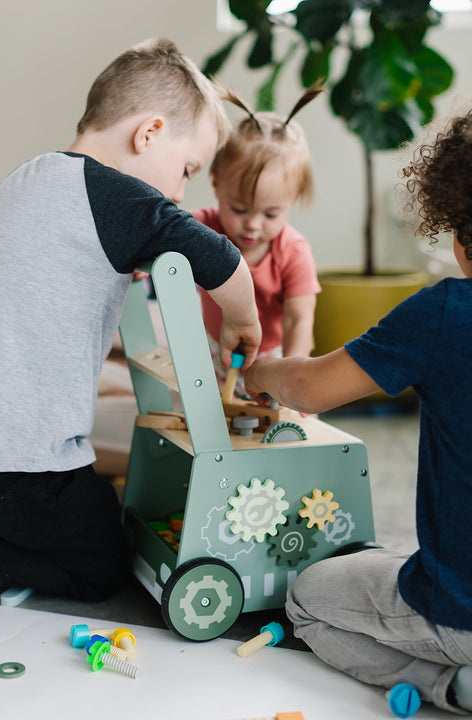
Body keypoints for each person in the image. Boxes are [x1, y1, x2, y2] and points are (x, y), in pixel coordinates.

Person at [0, 38, 261, 603]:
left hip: (6, 458)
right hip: (26, 464)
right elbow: (221, 260)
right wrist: (243, 319)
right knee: (102, 565)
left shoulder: (20, 181)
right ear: (148, 133)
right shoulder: (120, 198)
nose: (180, 191)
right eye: (186, 169)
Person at [244, 108, 472, 714]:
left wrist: (261, 369)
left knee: (308, 598)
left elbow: (313, 390)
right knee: (386, 558)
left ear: (459, 232)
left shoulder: (446, 312)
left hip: (462, 616)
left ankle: (449, 686)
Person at [194, 82, 322, 397]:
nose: (252, 225)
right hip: (211, 351)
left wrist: (293, 381)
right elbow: (161, 233)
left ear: (293, 199)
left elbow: (298, 321)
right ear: (216, 184)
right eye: (239, 209)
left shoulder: (293, 252)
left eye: (271, 214)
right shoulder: (202, 227)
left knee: (275, 424)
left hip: (271, 360)